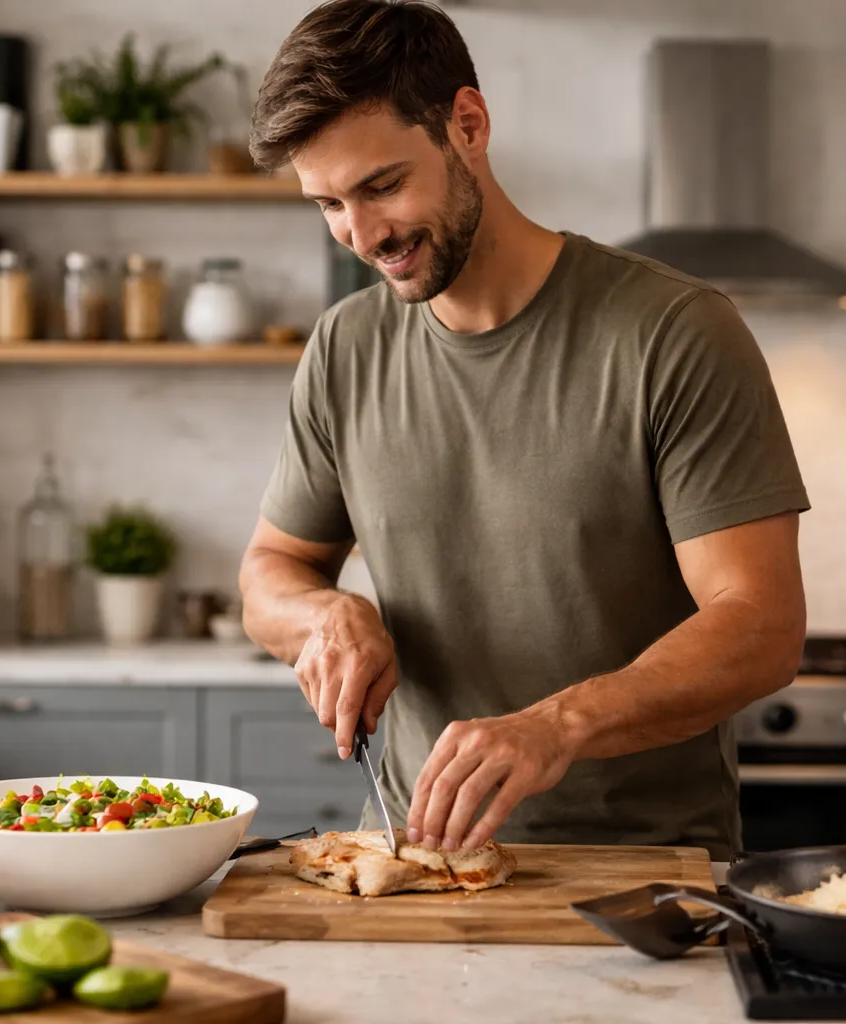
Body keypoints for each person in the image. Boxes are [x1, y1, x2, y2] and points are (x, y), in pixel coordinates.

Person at [237, 0, 809, 860]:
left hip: (644, 873)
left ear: (467, 124)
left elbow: (760, 624)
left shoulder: (673, 330)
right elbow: (269, 574)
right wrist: (323, 615)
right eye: (328, 205)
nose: (363, 235)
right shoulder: (344, 347)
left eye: (383, 186)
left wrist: (557, 725)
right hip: (416, 858)